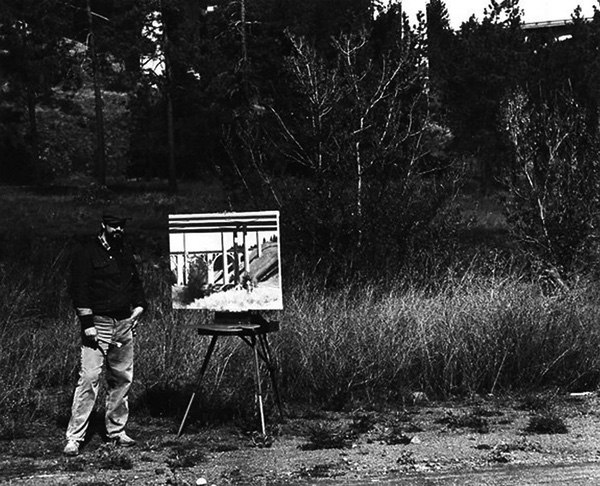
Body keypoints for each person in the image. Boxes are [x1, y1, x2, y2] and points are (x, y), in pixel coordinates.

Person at [64, 209, 147, 457]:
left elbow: (134, 283)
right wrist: (87, 322)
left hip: (123, 322)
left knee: (122, 377)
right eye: (113, 226)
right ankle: (75, 437)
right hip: (97, 324)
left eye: (121, 225)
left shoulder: (124, 249)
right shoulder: (87, 251)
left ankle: (116, 431)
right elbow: (79, 288)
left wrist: (140, 306)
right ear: (103, 225)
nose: (118, 230)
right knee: (89, 377)